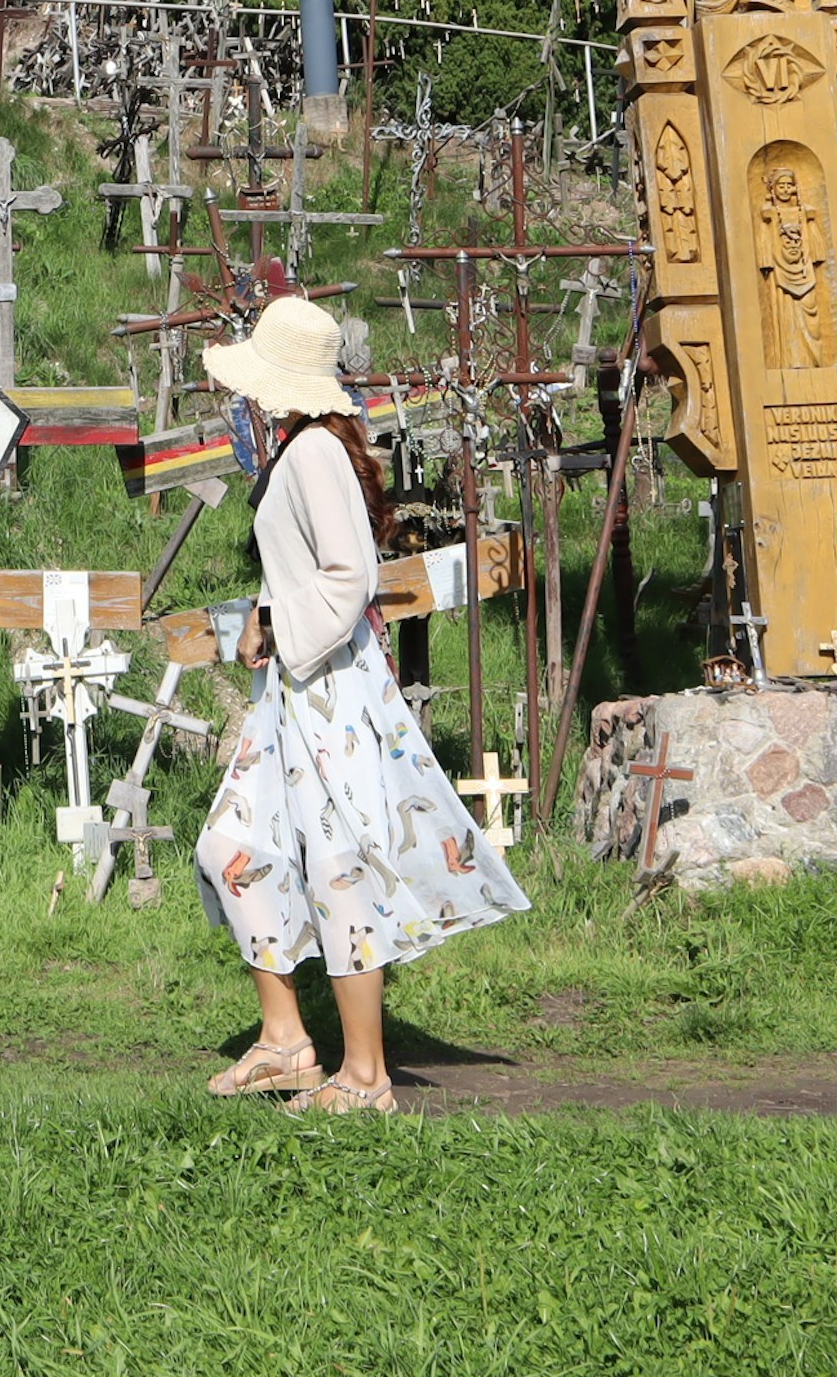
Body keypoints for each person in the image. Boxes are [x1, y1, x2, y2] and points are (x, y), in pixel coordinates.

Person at [192, 295, 527, 1115]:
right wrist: (265, 620)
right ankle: (286, 1042)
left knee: (341, 864)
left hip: (329, 691)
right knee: (233, 846)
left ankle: (367, 1077)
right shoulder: (302, 449)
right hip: (295, 686)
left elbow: (352, 576)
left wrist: (286, 633)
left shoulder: (311, 455)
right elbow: (309, 572)